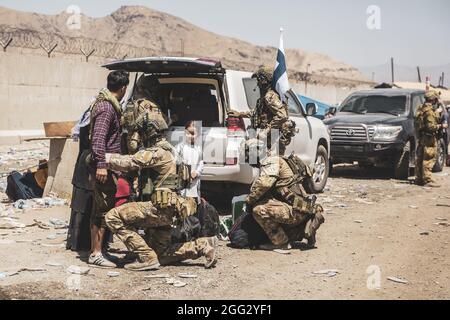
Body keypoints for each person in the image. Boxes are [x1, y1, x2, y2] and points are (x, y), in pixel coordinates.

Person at [104, 112, 218, 271]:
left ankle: (146, 257)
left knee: (112, 217)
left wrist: (104, 159)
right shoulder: (173, 150)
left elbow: (129, 162)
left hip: (158, 208)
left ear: (148, 132)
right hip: (171, 210)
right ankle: (203, 246)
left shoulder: (158, 152)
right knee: (162, 254)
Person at [244, 139, 325, 250]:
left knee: (259, 210)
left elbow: (264, 184)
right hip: (302, 207)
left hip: (297, 210)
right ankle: (304, 228)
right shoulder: (278, 159)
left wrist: (249, 201)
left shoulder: (271, 161)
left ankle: (281, 243)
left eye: (248, 153)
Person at [88, 70, 130, 268]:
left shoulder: (107, 105)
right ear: (123, 88)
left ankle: (100, 250)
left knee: (103, 209)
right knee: (101, 210)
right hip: (104, 167)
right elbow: (98, 139)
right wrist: (102, 166)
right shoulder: (106, 108)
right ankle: (96, 253)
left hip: (109, 165)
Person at [228, 66, 296, 155]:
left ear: (263, 81)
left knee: (271, 165)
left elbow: (282, 115)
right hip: (269, 139)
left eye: (258, 81)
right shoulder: (263, 98)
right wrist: (240, 114)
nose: (258, 84)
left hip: (273, 139)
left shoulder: (269, 96)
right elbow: (257, 113)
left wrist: (266, 131)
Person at [123, 75, 172, 155]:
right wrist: (173, 119)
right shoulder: (149, 105)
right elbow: (163, 123)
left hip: (131, 144)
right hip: (146, 146)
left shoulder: (131, 103)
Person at [414, 90, 442, 187]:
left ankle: (419, 178)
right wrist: (441, 126)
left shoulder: (421, 109)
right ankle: (427, 180)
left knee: (420, 157)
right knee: (428, 158)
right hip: (429, 137)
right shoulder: (429, 111)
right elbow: (431, 127)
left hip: (421, 136)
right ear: (433, 99)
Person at [175, 121, 204, 204]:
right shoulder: (179, 147)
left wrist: (197, 172)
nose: (191, 136)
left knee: (194, 203)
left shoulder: (198, 148)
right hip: (183, 182)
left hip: (194, 182)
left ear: (197, 135)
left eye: (193, 134)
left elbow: (201, 164)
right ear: (185, 132)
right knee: (182, 203)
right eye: (189, 133)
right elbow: (175, 162)